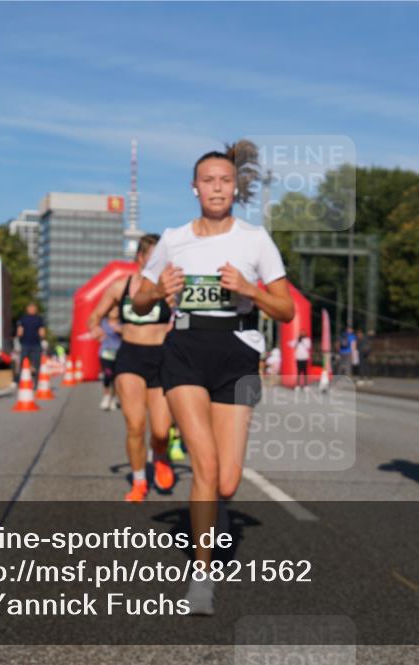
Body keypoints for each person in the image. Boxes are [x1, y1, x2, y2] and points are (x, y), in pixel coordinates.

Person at [133, 145, 294, 615]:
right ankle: (201, 579)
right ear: (195, 187)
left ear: (235, 187)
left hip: (238, 354)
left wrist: (249, 290)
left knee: (226, 482)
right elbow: (138, 299)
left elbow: (286, 308)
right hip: (185, 349)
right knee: (204, 466)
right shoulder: (173, 239)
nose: (218, 188)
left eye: (225, 180)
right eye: (209, 180)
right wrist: (157, 292)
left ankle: (212, 510)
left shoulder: (255, 240)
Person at [89, 234, 175, 503]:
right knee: (135, 425)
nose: (161, 262)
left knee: (161, 431)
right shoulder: (121, 286)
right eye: (155, 256)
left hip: (162, 358)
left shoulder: (170, 288)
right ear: (140, 257)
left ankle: (160, 456)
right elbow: (96, 314)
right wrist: (96, 327)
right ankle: (139, 481)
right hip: (130, 358)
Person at [97, 310, 122, 411]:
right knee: (108, 375)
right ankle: (106, 396)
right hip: (105, 354)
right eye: (112, 309)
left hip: (118, 353)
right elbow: (95, 332)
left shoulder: (122, 322)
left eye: (116, 309)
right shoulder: (103, 322)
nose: (115, 311)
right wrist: (98, 334)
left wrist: (120, 330)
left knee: (115, 378)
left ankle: (113, 398)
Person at [15, 302, 45, 378]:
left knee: (24, 363)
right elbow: (42, 333)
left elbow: (19, 332)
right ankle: (35, 380)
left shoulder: (23, 319)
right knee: (36, 364)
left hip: (26, 344)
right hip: (35, 344)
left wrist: (18, 340)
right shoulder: (39, 319)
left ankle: (22, 379)